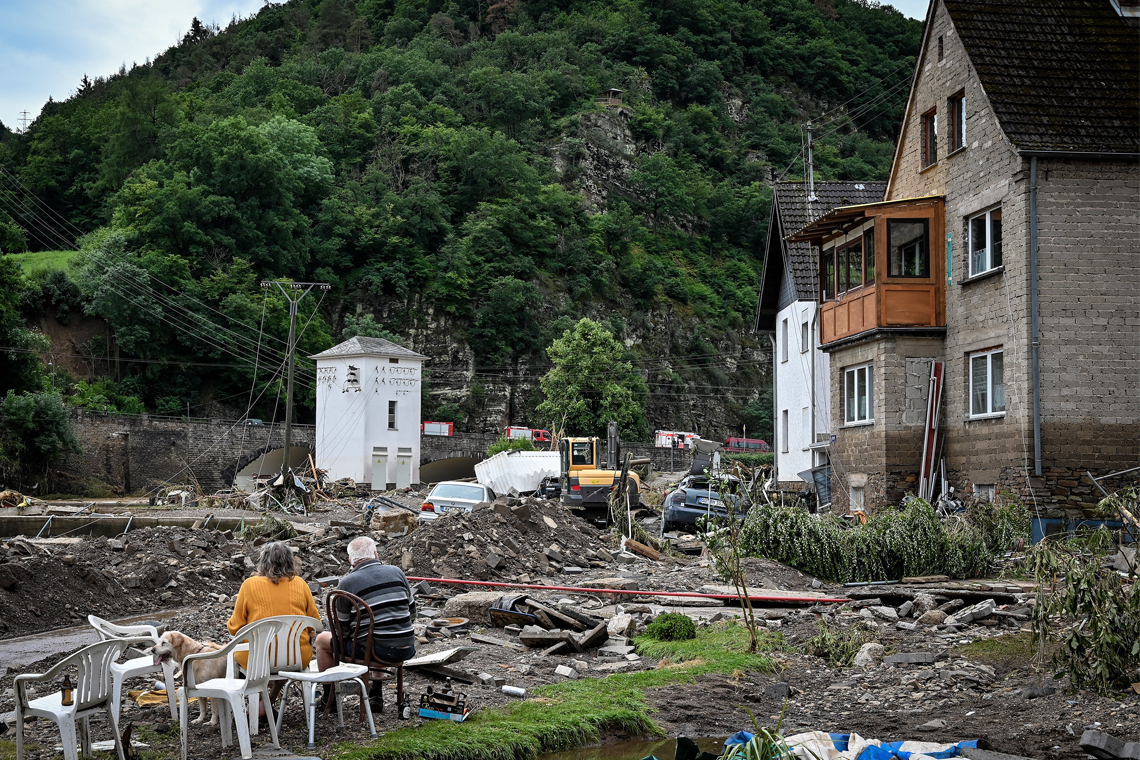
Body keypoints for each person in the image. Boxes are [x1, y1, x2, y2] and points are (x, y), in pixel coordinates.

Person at [314, 536, 416, 674]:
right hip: (407, 648)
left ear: (351, 561)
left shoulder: (347, 583)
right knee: (375, 633)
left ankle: (328, 694)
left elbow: (341, 630)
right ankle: (376, 691)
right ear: (375, 554)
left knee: (321, 640)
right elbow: (412, 614)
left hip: (375, 652)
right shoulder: (397, 572)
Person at [227, 541, 320, 674]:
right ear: (290, 562)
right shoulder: (301, 584)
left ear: (263, 561)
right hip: (297, 658)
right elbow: (314, 625)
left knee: (237, 654)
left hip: (256, 660)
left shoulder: (249, 585)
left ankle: (252, 692)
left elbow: (235, 628)